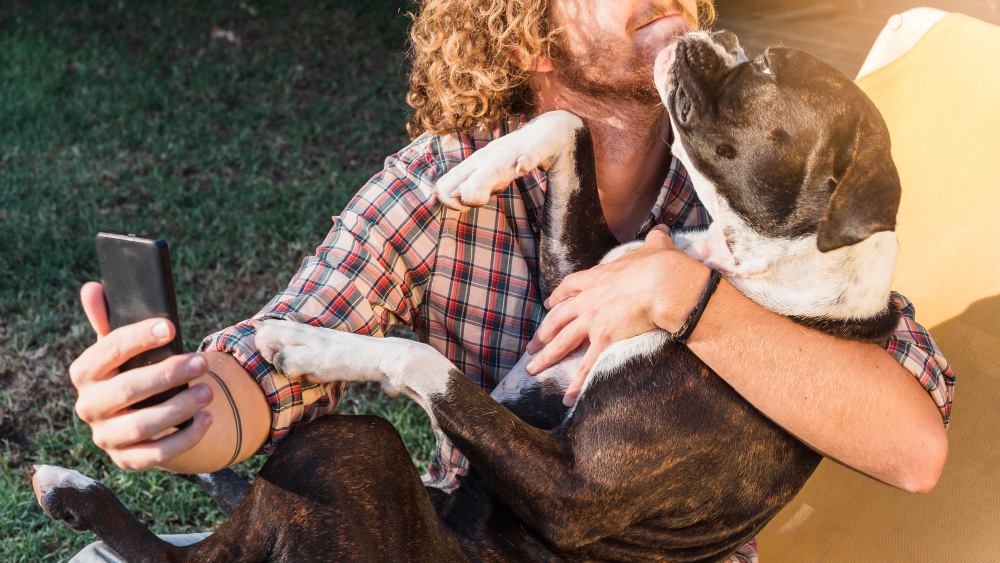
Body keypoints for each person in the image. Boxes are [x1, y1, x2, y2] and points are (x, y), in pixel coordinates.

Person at [68, 0, 955, 561]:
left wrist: (682, 295)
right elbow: (289, 343)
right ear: (523, 27)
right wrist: (172, 409)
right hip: (476, 536)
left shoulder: (749, 186)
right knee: (336, 455)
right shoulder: (444, 184)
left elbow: (913, 446)